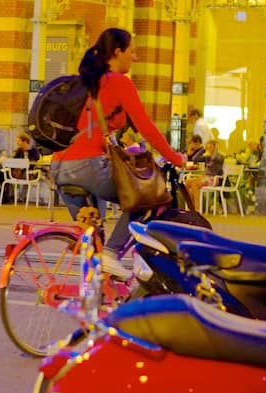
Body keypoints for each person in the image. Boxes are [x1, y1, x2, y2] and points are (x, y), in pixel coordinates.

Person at [52, 28, 186, 279]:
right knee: (147, 198)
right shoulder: (119, 82)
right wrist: (176, 159)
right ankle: (112, 254)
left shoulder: (88, 82)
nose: (135, 57)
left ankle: (94, 296)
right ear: (117, 52)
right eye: (132, 51)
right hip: (86, 166)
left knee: (94, 244)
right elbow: (146, 127)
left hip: (60, 167)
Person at [186, 139, 225, 206]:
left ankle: (197, 208)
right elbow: (194, 159)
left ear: (215, 148)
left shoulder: (220, 157)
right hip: (204, 177)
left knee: (195, 184)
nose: (208, 149)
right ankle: (191, 204)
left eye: (210, 147)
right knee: (187, 182)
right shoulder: (207, 156)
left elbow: (214, 159)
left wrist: (212, 153)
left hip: (213, 179)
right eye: (207, 147)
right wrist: (202, 149)